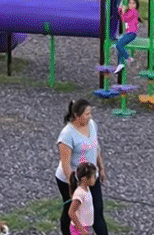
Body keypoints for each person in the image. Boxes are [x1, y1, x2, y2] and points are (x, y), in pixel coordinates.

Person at [55, 99, 107, 235]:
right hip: (71, 179)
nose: (90, 117)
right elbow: (65, 164)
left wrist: (101, 167)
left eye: (90, 113)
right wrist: (74, 186)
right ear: (77, 116)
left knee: (97, 210)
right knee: (72, 209)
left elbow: (96, 147)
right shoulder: (67, 134)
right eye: (87, 114)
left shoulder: (92, 125)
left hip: (90, 176)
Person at [68, 162, 98, 235]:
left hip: (86, 227)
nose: (95, 178)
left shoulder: (87, 189)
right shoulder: (80, 194)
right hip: (79, 229)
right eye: (93, 176)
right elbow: (71, 212)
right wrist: (82, 230)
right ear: (84, 179)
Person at [113, 0, 140, 73]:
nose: (131, 5)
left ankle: (128, 58)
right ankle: (120, 63)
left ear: (136, 5)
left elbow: (124, 18)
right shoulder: (129, 11)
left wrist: (123, 11)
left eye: (133, 3)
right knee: (119, 45)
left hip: (131, 34)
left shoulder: (134, 12)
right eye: (130, 3)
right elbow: (119, 10)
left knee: (118, 45)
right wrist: (122, 1)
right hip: (128, 33)